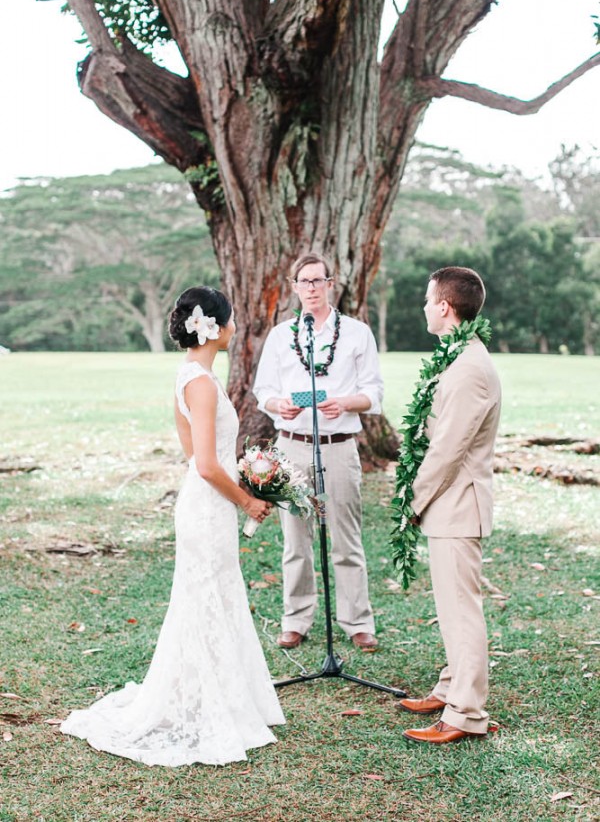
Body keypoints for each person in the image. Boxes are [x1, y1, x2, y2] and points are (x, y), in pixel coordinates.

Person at [61, 286, 284, 766]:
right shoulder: (200, 384)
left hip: (205, 503)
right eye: (230, 319)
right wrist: (246, 499)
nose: (234, 326)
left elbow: (195, 456)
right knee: (205, 598)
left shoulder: (189, 375)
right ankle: (206, 706)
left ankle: (213, 696)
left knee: (211, 597)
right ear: (213, 327)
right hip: (209, 505)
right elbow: (204, 463)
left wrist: (236, 480)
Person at [253, 253, 383, 650]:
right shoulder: (280, 336)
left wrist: (345, 403)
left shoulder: (357, 333)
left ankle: (357, 622)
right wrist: (279, 406)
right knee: (296, 539)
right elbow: (263, 391)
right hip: (291, 446)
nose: (311, 288)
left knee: (346, 538)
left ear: (330, 284)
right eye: (303, 281)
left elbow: (374, 392)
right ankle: (296, 619)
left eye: (318, 280)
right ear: (294, 287)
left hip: (338, 447)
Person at [398, 266, 501, 745]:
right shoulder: (457, 357)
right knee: (450, 606)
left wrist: (411, 499)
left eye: (427, 299)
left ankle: (466, 713)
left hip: (458, 504)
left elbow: (447, 449)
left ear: (444, 306)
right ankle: (449, 688)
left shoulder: (469, 369)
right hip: (450, 505)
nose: (423, 306)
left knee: (462, 611)